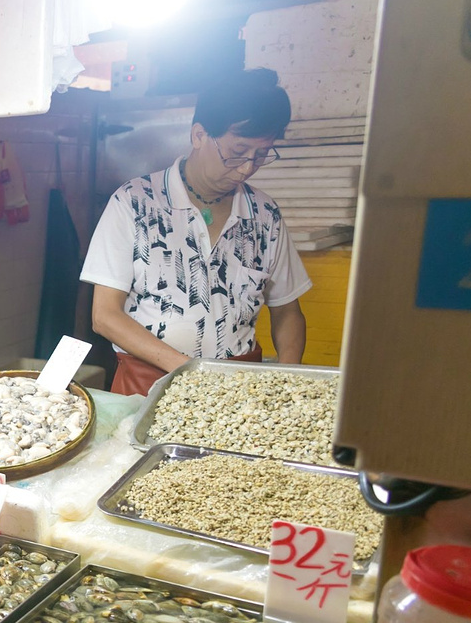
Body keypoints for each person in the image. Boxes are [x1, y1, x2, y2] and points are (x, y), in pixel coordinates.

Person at [80, 68, 311, 396]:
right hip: (149, 383)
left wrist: (287, 381)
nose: (247, 167)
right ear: (199, 135)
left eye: (261, 155)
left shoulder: (265, 214)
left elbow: (287, 310)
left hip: (241, 387)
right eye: (237, 152)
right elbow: (104, 316)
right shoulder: (134, 202)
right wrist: (190, 371)